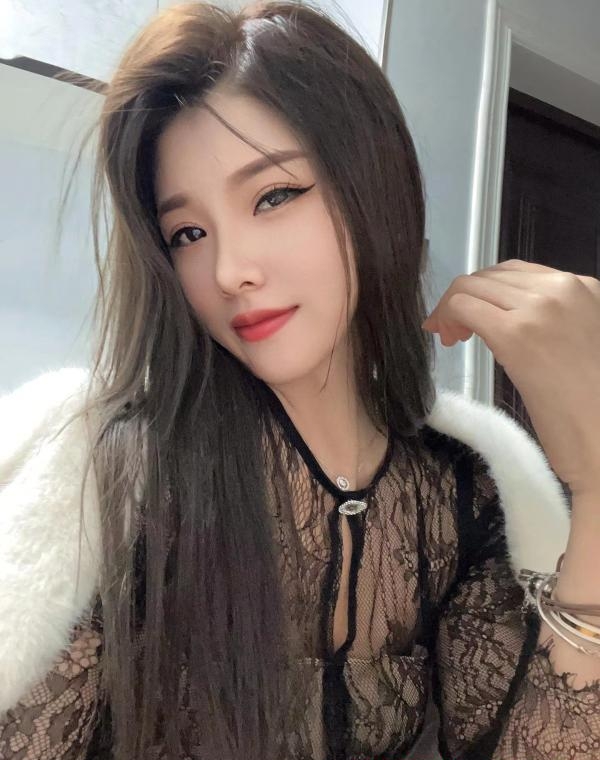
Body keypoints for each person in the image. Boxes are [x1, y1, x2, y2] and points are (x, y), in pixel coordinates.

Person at [0, 2, 599, 759]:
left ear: (373, 188)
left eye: (274, 196)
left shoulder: (457, 489)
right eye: (188, 233)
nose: (228, 271)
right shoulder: (119, 477)